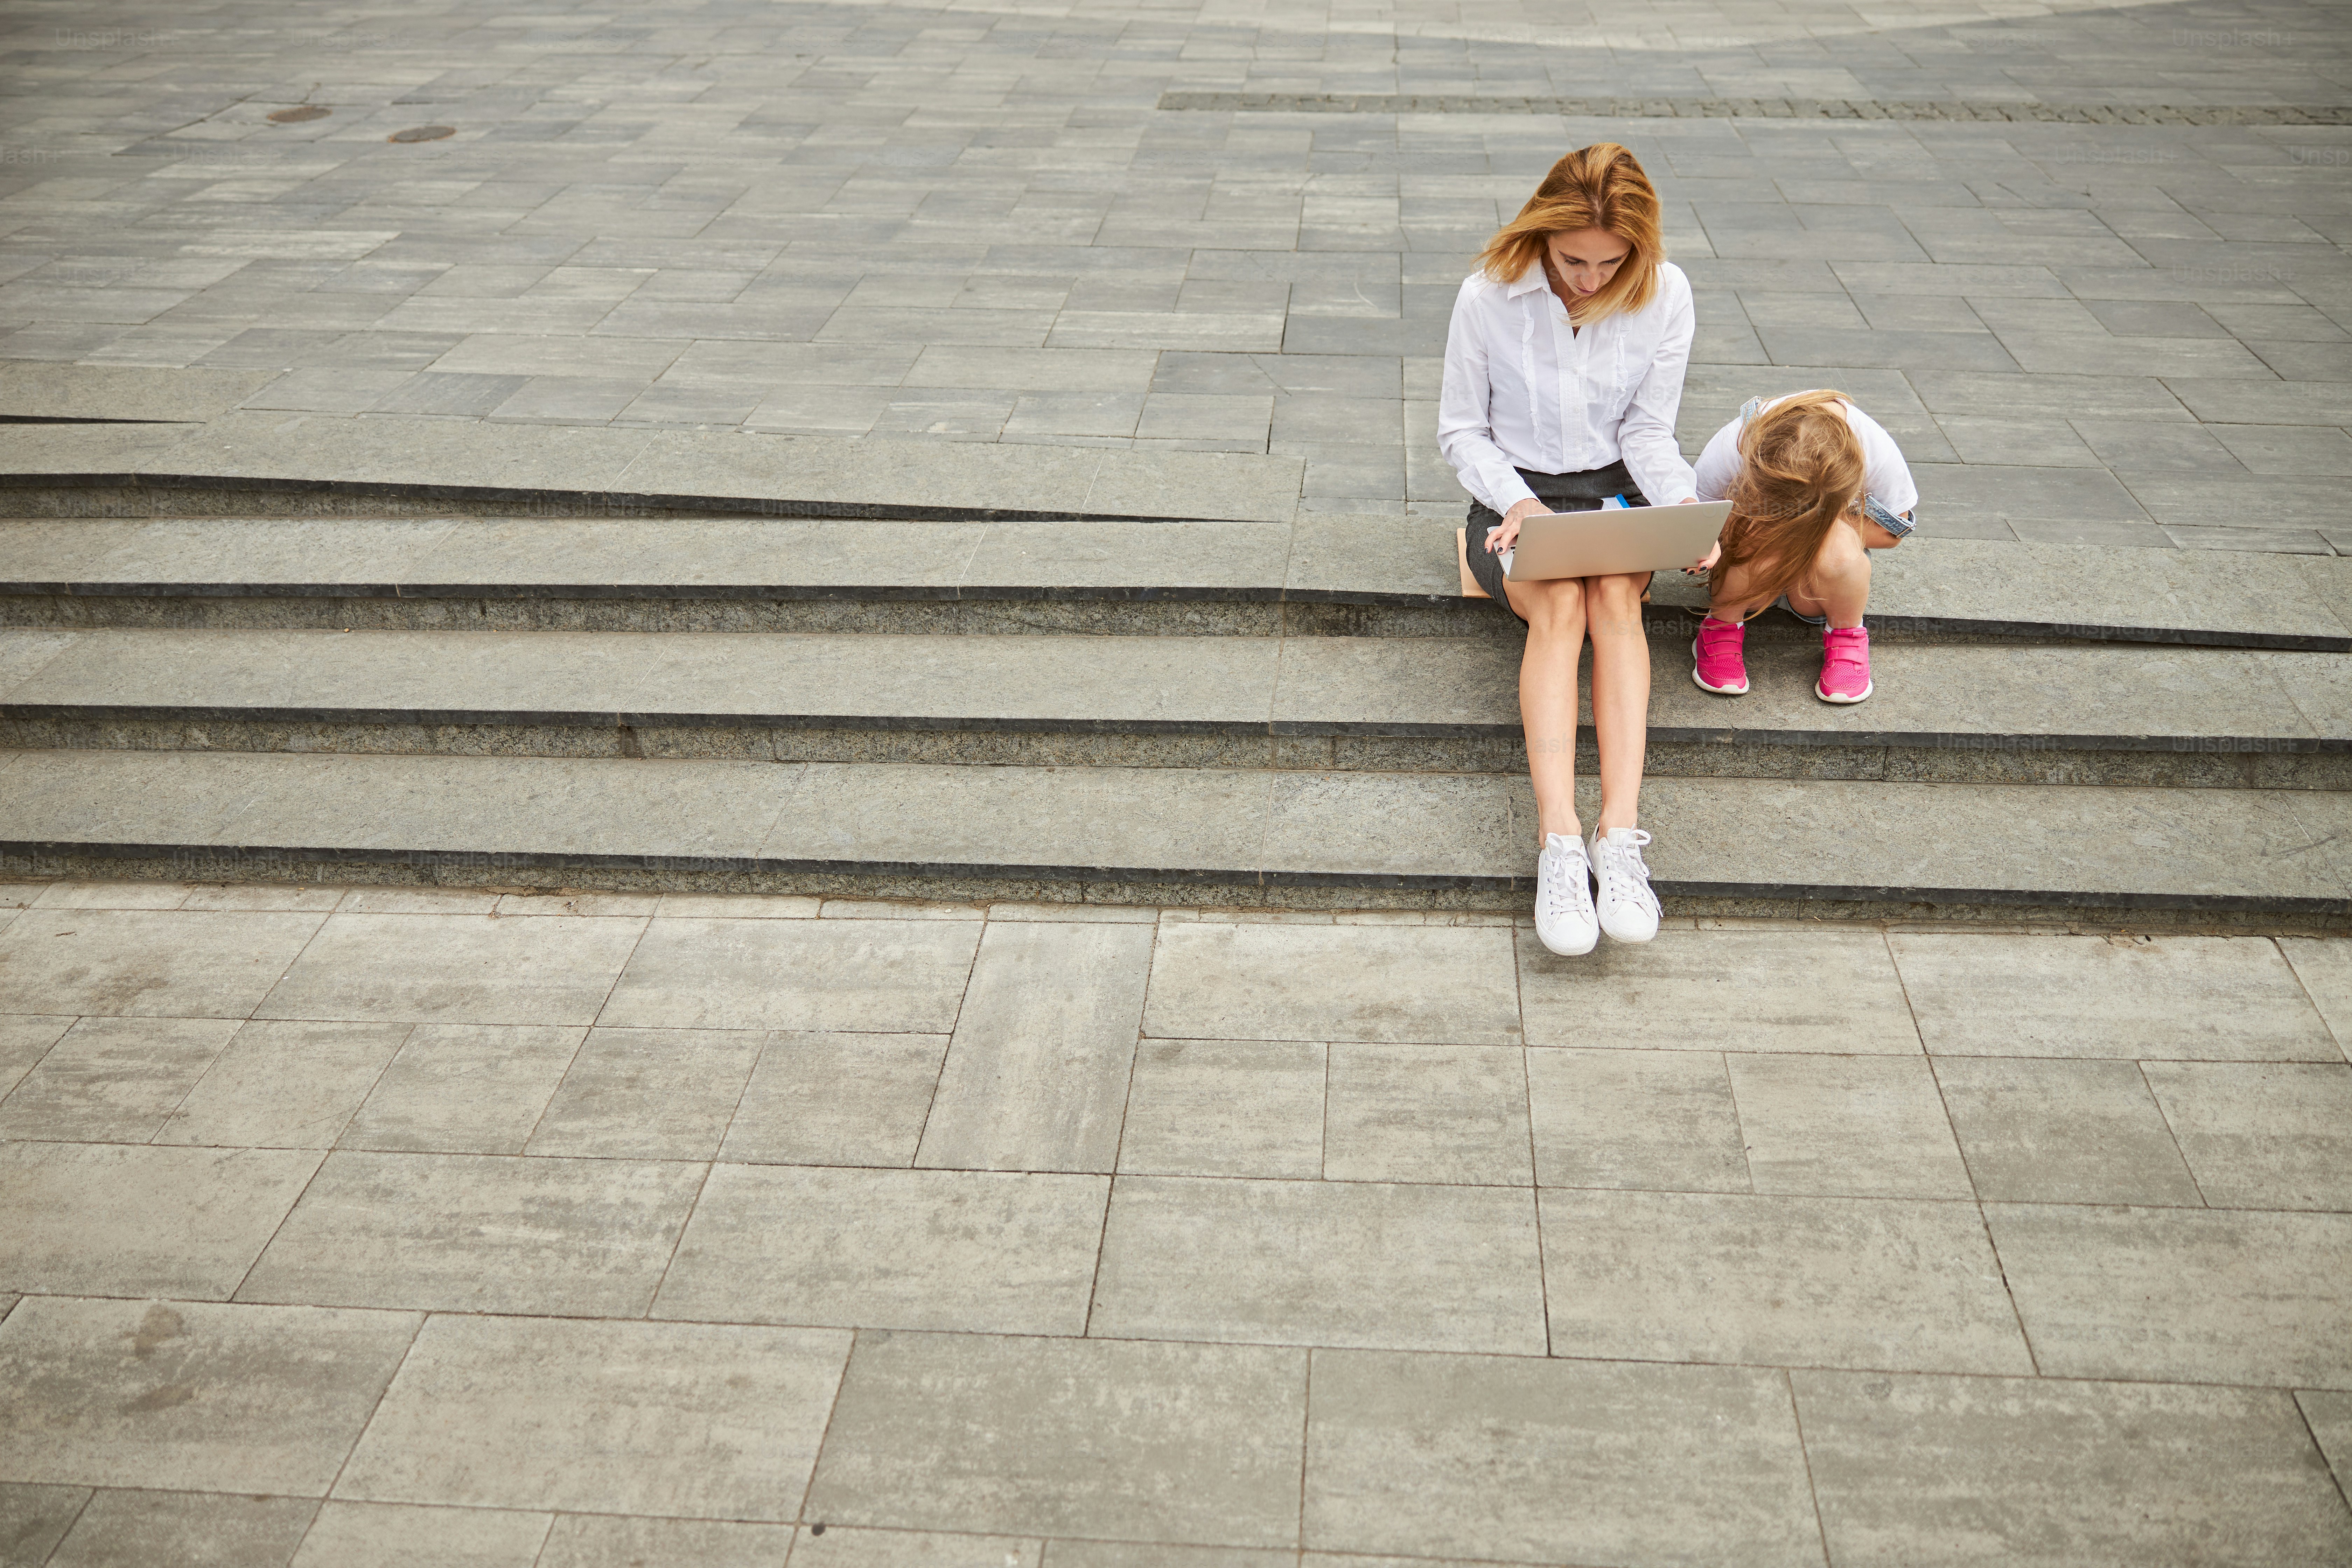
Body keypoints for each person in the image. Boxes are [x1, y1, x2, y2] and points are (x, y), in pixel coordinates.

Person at [1438, 141, 1699, 958]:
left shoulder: (1666, 294)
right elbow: (1461, 432)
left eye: (1611, 262)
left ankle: (1618, 837)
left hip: (1614, 492)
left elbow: (1648, 432)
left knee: (1616, 596)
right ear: (1543, 234)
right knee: (1559, 604)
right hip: (1510, 499)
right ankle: (1559, 844)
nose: (1590, 279)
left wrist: (1685, 508)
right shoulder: (1487, 298)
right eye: (1574, 258)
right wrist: (1517, 502)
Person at [1687, 389, 1918, 705]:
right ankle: (1722, 624)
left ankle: (1847, 635)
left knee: (1837, 539)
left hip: (1816, 587)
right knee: (1754, 523)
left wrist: (1820, 523)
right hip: (1752, 578)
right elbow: (1702, 517)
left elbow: (1893, 533)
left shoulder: (1873, 445)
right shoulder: (1737, 440)